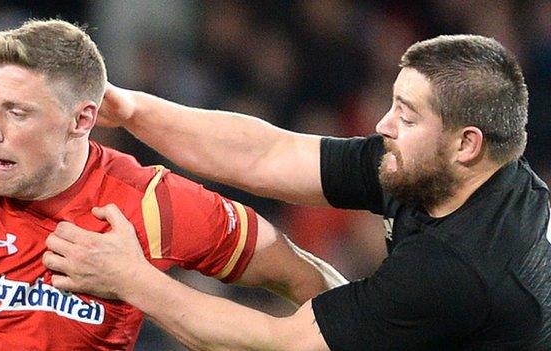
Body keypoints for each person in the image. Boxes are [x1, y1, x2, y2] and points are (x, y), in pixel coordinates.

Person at [44, 34, 551, 350]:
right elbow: (268, 154)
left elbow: (281, 346)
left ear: (467, 144)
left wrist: (132, 279)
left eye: (407, 115)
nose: (383, 124)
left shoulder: (460, 268)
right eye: (393, 104)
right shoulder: (443, 168)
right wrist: (133, 110)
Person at [0, 19, 346, 350]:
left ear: (82, 120)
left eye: (16, 112)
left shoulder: (147, 203)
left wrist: (377, 334)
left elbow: (297, 274)